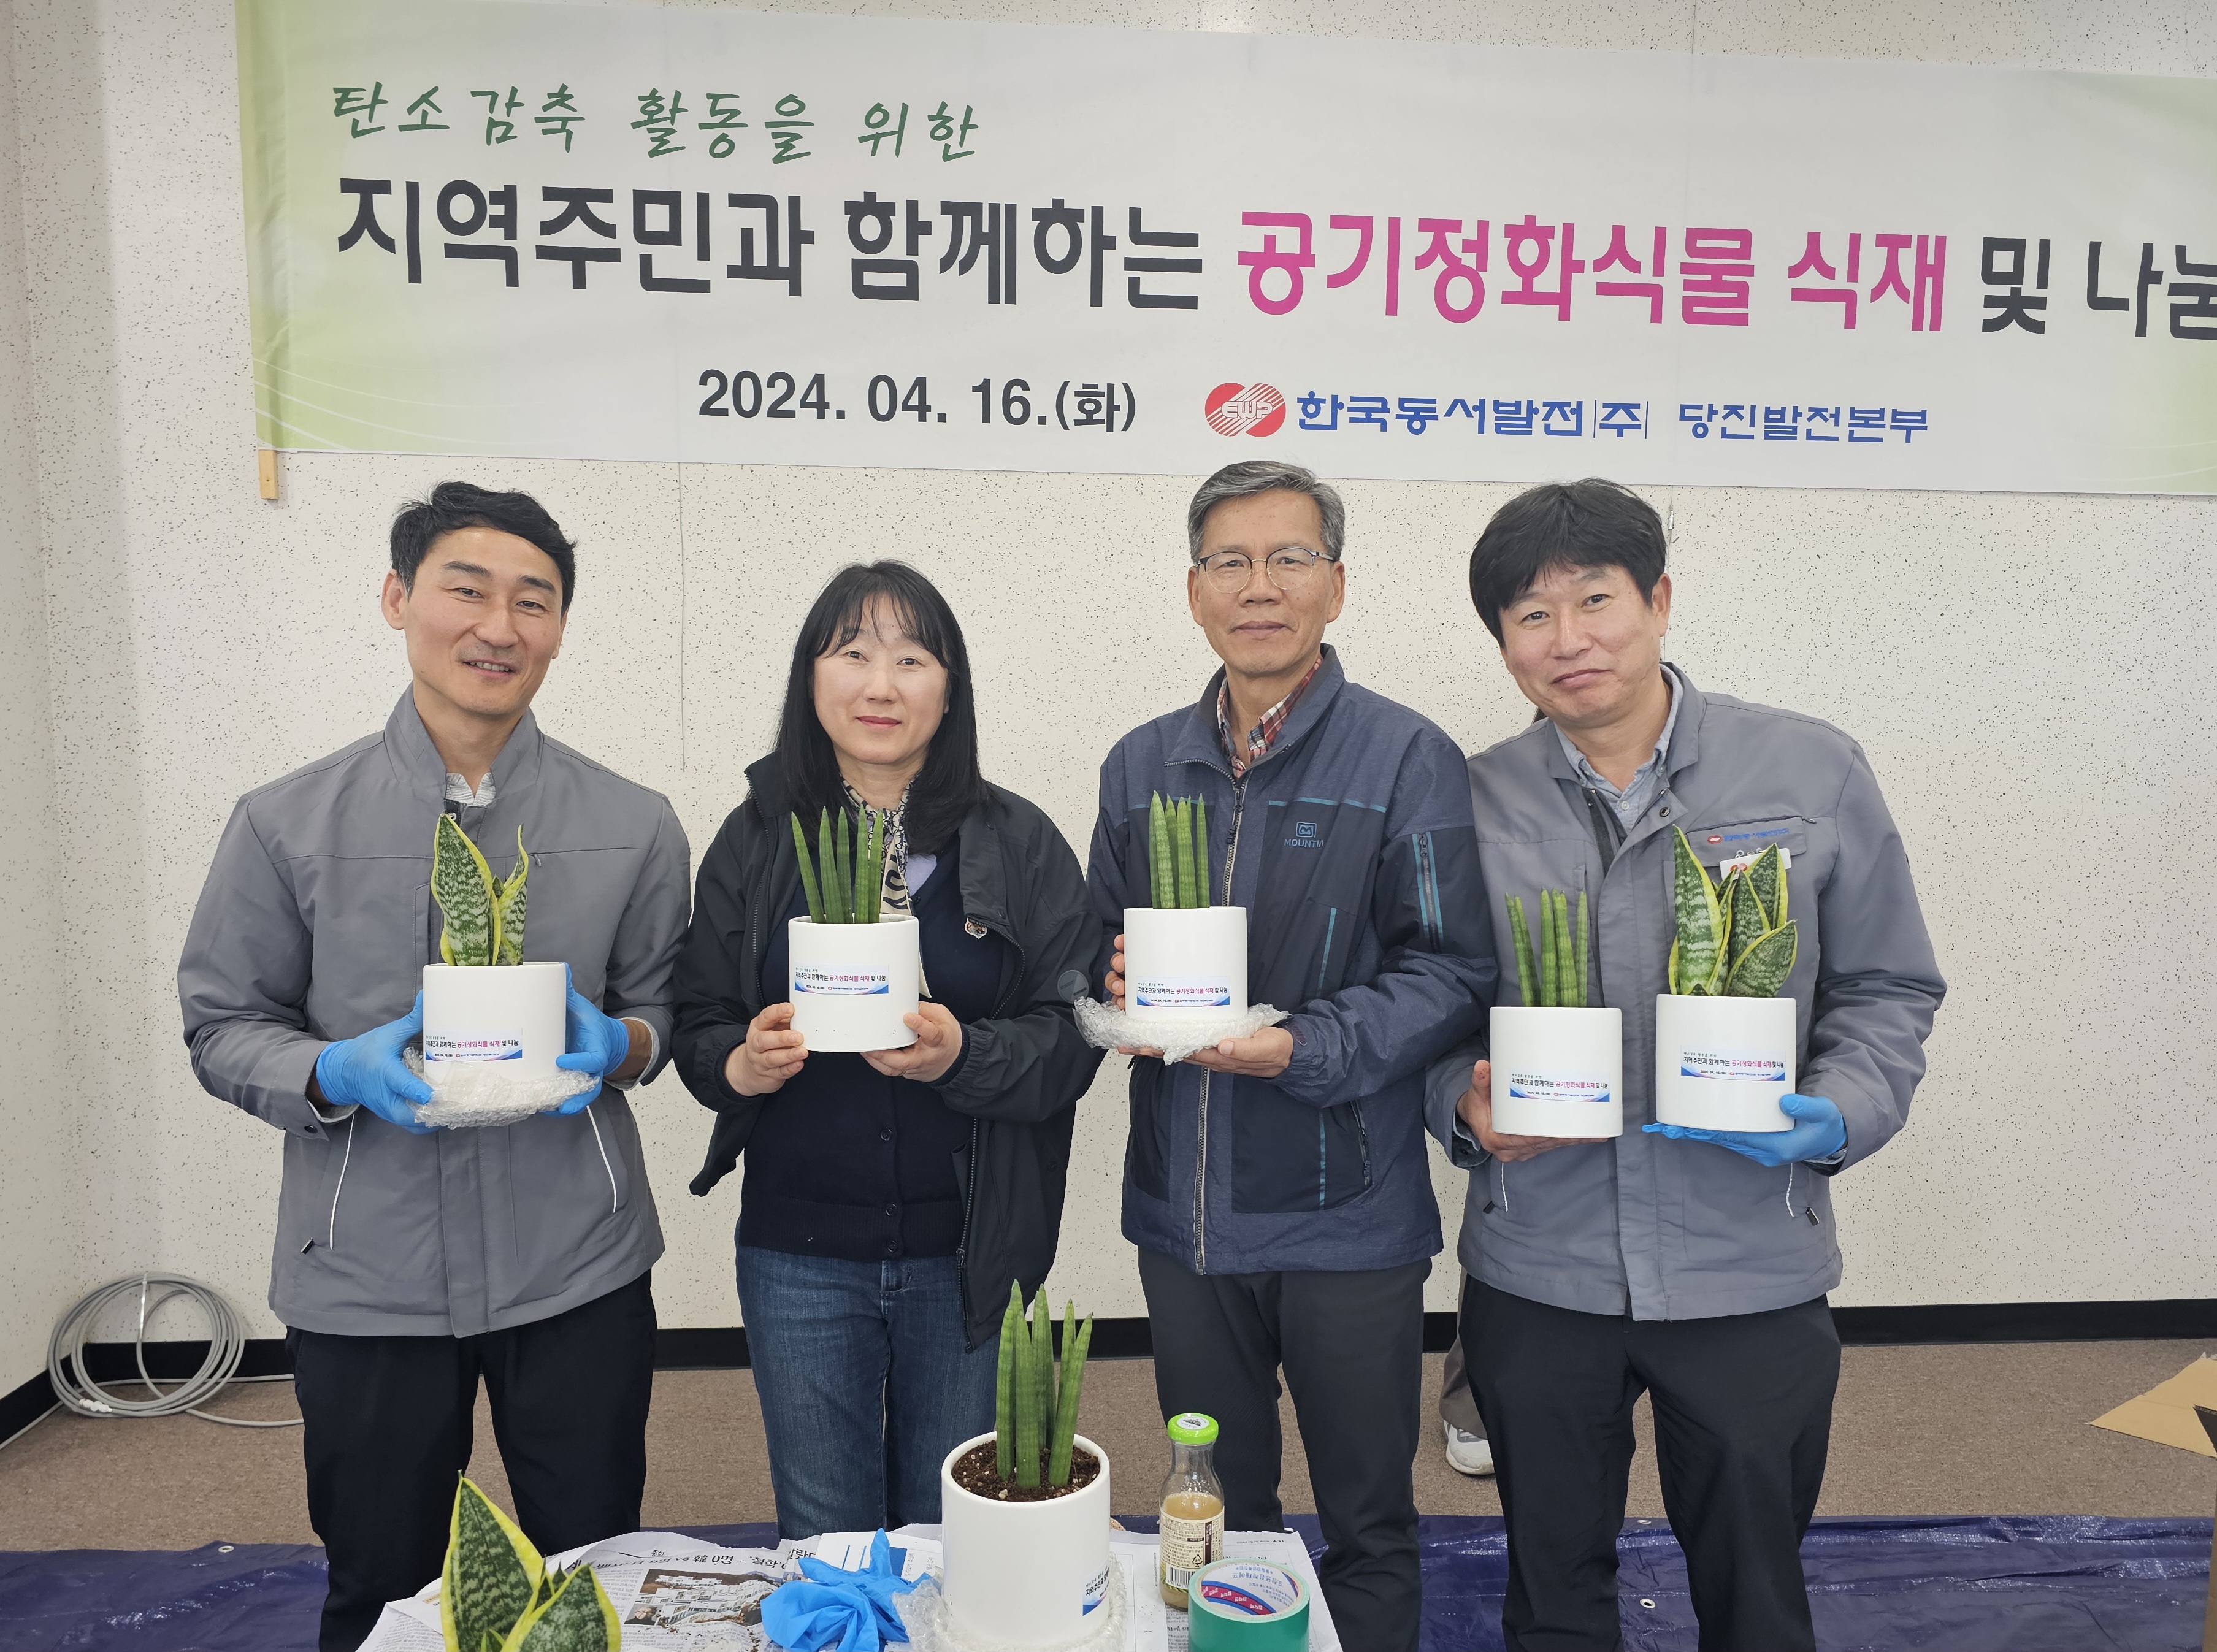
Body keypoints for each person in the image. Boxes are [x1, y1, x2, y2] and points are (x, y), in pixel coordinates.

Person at [1428, 478, 1945, 1651]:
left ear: (1659, 600)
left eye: (1596, 600)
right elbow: (1427, 1006)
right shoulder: (1468, 800)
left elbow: (1888, 985)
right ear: (1504, 645)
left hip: (1747, 1257)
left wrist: (1841, 1111)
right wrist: (1456, 1100)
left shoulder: (1809, 769)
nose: (1569, 639)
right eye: (1531, 616)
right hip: (1541, 1259)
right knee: (1552, 1588)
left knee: (1756, 1588)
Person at [178, 483, 691, 1652]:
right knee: (381, 1580)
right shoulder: (286, 821)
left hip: (578, 1265)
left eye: (533, 601)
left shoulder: (635, 821)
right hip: (367, 1272)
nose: (499, 626)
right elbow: (221, 1023)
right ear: (398, 598)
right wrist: (332, 1069)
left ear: (560, 627)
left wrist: (626, 1044)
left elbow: (662, 1008)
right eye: (467, 589)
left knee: (593, 1571)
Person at [1088, 460, 1495, 1651]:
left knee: (1367, 1518)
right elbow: (1088, 949)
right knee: (1217, 1517)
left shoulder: (1405, 757)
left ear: (1335, 585)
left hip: (1346, 1214)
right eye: (1229, 561)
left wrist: (1302, 1045)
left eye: (1288, 558)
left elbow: (1449, 970)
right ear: (1193, 591)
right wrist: (1108, 980)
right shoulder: (1138, 764)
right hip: (1185, 1219)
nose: (1257, 586)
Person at [673, 561, 1103, 1539]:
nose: (881, 684)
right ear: (810, 678)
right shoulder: (756, 837)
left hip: (967, 1252)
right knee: (826, 1536)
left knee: (953, 1535)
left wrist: (964, 1055)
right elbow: (698, 1017)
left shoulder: (1019, 840)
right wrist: (740, 1062)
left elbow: (1072, 1033)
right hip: (798, 1249)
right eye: (853, 655)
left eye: (912, 658)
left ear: (949, 687)